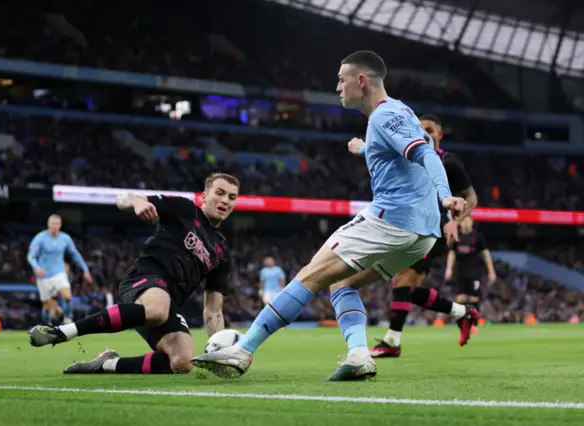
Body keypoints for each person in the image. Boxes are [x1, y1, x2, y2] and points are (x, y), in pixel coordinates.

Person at [191, 50, 467, 381]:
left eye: (341, 79)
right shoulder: (399, 111)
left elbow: (424, 153)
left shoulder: (383, 115)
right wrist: (364, 149)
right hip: (423, 235)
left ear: (361, 81)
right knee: (341, 284)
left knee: (309, 275)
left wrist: (445, 193)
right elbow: (404, 151)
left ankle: (243, 350)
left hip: (391, 220)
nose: (337, 86)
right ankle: (359, 355)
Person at [28, 173, 239, 375]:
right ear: (204, 195)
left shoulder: (222, 251)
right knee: (157, 309)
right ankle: (62, 332)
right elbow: (124, 198)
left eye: (231, 197)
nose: (225, 200)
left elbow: (213, 311)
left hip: (168, 303)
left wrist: (220, 350)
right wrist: (138, 202)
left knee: (181, 361)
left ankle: (107, 364)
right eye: (219, 192)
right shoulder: (184, 209)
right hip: (144, 277)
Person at [335, 114, 479, 359]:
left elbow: (471, 198)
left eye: (431, 130)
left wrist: (456, 221)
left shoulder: (450, 163)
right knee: (405, 288)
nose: (426, 134)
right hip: (408, 226)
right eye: (421, 130)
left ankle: (392, 341)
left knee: (402, 281)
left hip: (434, 230)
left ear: (440, 135)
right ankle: (461, 312)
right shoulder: (408, 157)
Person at [27, 214, 93, 324]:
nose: (54, 226)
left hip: (59, 273)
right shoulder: (40, 238)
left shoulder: (65, 238)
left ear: (60, 225)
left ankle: (67, 319)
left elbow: (75, 254)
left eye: (57, 224)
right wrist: (37, 268)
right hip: (44, 276)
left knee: (67, 296)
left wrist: (85, 269)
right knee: (48, 307)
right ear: (48, 224)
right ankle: (48, 325)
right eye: (52, 224)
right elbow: (31, 256)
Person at [445, 216, 497, 333]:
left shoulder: (478, 236)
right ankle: (462, 323)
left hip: (475, 272)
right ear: (460, 222)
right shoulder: (456, 236)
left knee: (474, 298)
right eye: (464, 220)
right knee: (460, 298)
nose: (466, 223)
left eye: (468, 220)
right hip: (460, 272)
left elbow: (486, 254)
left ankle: (474, 324)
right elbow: (452, 253)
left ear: (472, 222)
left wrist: (491, 271)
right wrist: (449, 269)